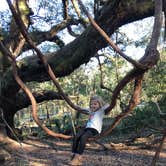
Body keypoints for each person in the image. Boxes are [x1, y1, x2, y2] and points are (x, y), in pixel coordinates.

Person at [69, 95, 109, 166]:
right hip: (87, 128)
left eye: (95, 104)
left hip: (94, 130)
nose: (92, 105)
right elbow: (81, 108)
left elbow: (108, 105)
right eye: (91, 104)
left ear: (99, 104)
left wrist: (101, 103)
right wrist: (72, 105)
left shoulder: (101, 111)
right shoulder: (90, 110)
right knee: (76, 136)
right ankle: (73, 154)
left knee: (83, 137)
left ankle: (78, 156)